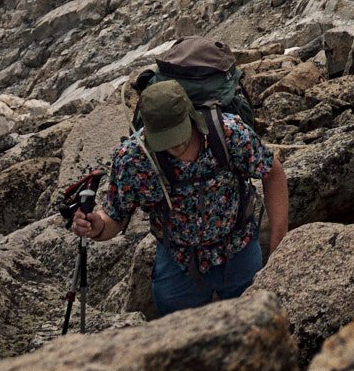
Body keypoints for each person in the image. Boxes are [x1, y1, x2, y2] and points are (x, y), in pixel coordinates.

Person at [70, 79, 290, 314]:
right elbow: (116, 216)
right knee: (181, 341)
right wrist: (98, 226)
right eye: (164, 141)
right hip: (178, 262)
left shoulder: (229, 134)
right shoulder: (133, 159)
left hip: (238, 249)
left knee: (258, 324)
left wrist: (279, 244)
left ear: (191, 116)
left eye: (179, 135)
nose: (174, 147)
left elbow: (272, 173)